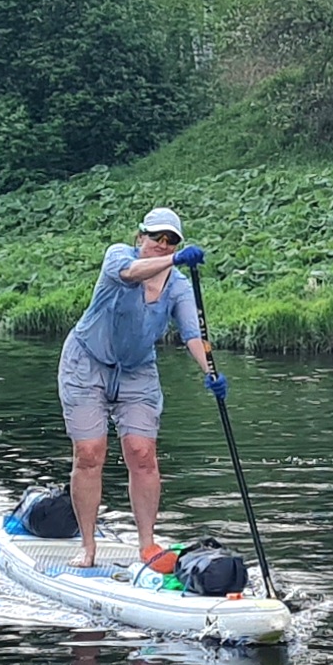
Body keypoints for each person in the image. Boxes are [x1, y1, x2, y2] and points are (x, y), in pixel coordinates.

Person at [57, 205, 222, 570]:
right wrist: (175, 259)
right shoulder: (119, 256)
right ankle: (87, 547)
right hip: (86, 363)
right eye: (156, 237)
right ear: (140, 237)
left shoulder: (178, 287)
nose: (163, 244)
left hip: (137, 370)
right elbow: (131, 274)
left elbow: (193, 335)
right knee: (89, 453)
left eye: (171, 240)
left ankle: (147, 546)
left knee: (142, 453)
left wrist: (211, 372)